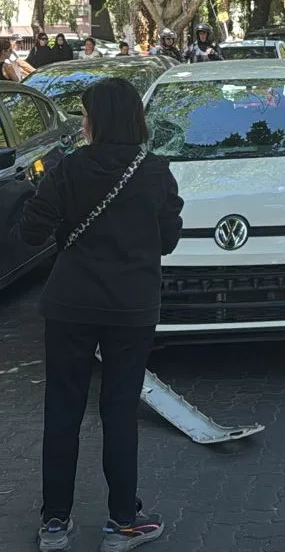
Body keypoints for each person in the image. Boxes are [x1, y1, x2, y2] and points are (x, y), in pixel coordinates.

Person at [15, 77, 183, 552]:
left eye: (86, 114)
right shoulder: (154, 172)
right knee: (120, 409)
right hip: (130, 307)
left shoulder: (68, 170)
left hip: (69, 304)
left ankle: (54, 523)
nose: (83, 122)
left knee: (62, 409)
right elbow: (168, 238)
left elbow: (31, 232)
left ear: (98, 120)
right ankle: (123, 521)